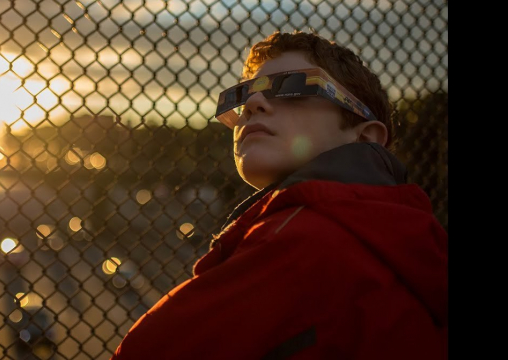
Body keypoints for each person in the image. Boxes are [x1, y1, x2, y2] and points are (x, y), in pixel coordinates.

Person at [110, 29, 448, 360]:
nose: (253, 103)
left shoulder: (301, 238)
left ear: (365, 138)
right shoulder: (406, 237)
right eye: (242, 96)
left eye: (291, 86)